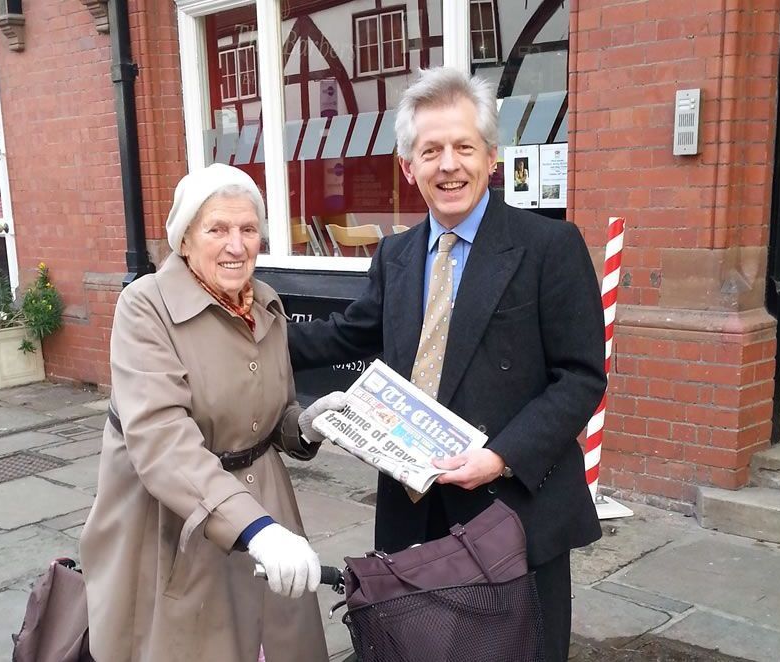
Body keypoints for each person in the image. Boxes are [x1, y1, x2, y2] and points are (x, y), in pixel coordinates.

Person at [288, 67, 606, 661]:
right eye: (430, 150)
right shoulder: (398, 254)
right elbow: (345, 336)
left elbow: (581, 376)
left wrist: (501, 457)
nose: (448, 164)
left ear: (491, 156)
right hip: (414, 510)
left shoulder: (550, 248)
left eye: (463, 146)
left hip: (512, 513)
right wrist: (247, 326)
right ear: (409, 167)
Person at [81, 163, 334, 662]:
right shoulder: (145, 306)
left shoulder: (263, 304)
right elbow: (161, 439)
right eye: (217, 229)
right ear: (185, 239)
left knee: (277, 639)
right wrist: (256, 530)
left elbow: (264, 420)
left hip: (264, 505)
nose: (235, 245)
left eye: (247, 229)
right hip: (171, 518)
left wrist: (305, 425)